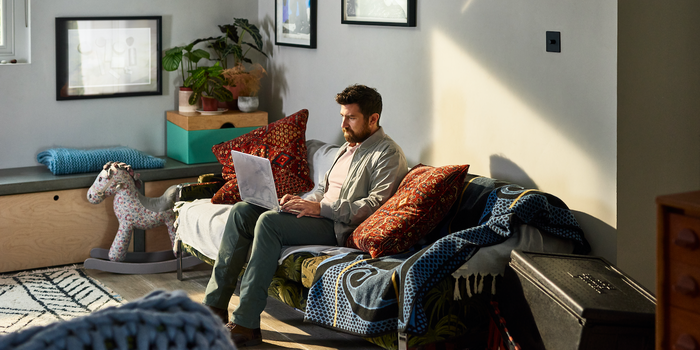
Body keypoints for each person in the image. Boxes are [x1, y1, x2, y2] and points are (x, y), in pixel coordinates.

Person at [203, 84, 408, 347]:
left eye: (351, 117)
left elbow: (372, 206)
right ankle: (214, 306)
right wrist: (300, 201)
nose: (344, 123)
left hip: (338, 226)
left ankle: (246, 322)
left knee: (269, 224)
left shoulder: (387, 154)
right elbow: (323, 189)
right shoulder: (348, 147)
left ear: (373, 119)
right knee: (243, 211)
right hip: (319, 214)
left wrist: (319, 209)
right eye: (342, 116)